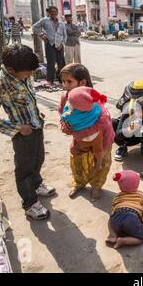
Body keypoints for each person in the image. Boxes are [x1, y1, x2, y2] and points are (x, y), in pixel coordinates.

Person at [0, 44, 56, 220]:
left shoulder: (22, 73)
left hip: (36, 125)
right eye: (27, 73)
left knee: (38, 159)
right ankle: (30, 203)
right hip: (23, 134)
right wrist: (18, 128)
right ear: (11, 69)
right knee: (24, 169)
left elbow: (28, 98)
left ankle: (37, 185)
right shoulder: (0, 84)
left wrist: (36, 113)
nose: (30, 75)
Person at [58, 63, 115, 200]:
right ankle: (79, 182)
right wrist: (64, 126)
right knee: (77, 160)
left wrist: (86, 131)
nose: (65, 85)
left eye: (69, 81)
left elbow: (104, 120)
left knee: (101, 162)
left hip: (102, 139)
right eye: (63, 81)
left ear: (82, 82)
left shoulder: (93, 100)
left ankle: (96, 185)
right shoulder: (66, 97)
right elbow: (62, 113)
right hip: (80, 138)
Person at [61, 87, 108, 170]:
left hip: (82, 138)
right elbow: (102, 116)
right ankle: (99, 163)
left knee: (80, 149)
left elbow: (64, 118)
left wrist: (66, 110)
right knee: (98, 150)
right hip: (96, 135)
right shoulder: (95, 108)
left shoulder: (71, 116)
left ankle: (85, 158)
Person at [106, 170, 143, 249]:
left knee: (110, 219)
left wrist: (114, 216)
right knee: (140, 238)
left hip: (118, 214)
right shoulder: (140, 195)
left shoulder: (118, 196)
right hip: (132, 217)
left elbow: (114, 207)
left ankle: (113, 235)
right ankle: (123, 240)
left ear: (120, 186)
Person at [33, 6, 67, 85]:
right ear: (49, 12)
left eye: (55, 11)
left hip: (60, 45)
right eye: (51, 11)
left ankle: (62, 79)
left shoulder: (61, 23)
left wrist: (62, 44)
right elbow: (35, 27)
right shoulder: (45, 20)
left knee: (61, 62)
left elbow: (65, 35)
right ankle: (50, 80)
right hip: (50, 44)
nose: (53, 13)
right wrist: (41, 35)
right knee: (51, 62)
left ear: (57, 12)